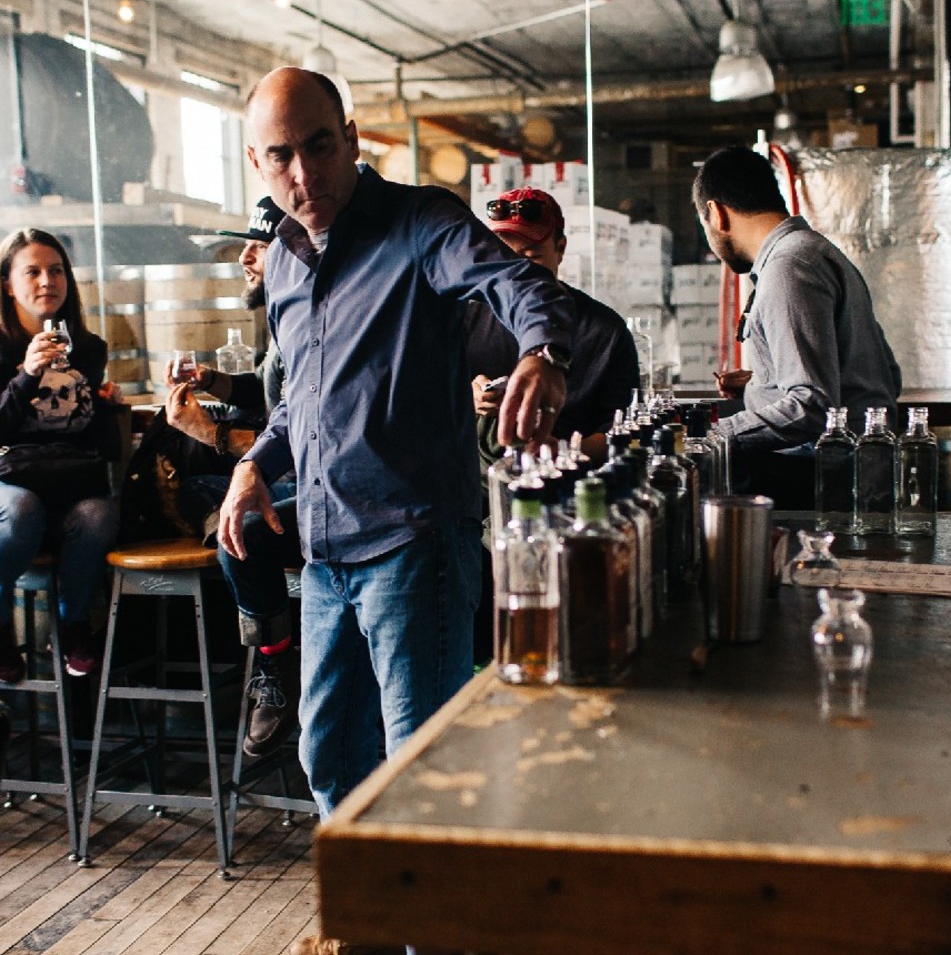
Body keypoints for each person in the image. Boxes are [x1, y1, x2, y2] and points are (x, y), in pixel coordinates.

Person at [216, 67, 574, 828]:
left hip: (413, 547)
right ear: (257, 164)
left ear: (351, 139)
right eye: (281, 155)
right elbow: (302, 404)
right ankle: (371, 928)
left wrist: (543, 353)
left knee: (425, 773)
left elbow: (519, 287)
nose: (303, 173)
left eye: (319, 146)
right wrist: (255, 465)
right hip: (323, 557)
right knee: (331, 760)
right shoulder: (280, 259)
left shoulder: (420, 223)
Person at [0, 228, 120, 683]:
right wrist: (27, 376)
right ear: (6, 282)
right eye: (33, 271)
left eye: (56, 270)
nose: (47, 281)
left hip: (59, 493)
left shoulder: (87, 348)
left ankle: (73, 622)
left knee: (99, 513)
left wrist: (102, 408)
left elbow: (91, 447)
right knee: (20, 505)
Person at [163, 195, 300, 758]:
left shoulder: (312, 316)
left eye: (258, 246)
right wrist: (215, 380)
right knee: (196, 491)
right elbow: (270, 393)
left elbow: (297, 442)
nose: (245, 256)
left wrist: (207, 433)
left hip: (328, 491)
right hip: (288, 477)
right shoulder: (284, 317)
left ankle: (276, 665)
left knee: (235, 529)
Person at [694, 146, 901, 504]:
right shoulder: (816, 251)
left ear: (716, 213)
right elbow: (884, 374)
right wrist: (762, 383)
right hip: (856, 480)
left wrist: (707, 435)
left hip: (825, 488)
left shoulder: (788, 267)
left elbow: (811, 408)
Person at [464, 186, 639, 466]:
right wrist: (468, 398)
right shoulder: (464, 320)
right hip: (476, 493)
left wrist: (562, 451)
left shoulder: (606, 332)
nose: (516, 276)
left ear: (560, 249)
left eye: (531, 259)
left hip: (569, 491)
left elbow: (625, 433)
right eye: (505, 261)